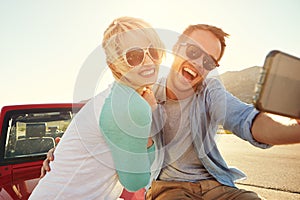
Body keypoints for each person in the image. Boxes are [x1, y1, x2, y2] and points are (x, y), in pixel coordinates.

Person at [42, 23, 300, 200]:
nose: (199, 63)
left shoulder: (210, 90)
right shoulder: (141, 86)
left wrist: (295, 129)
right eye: (193, 51)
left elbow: (246, 119)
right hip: (168, 188)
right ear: (175, 48)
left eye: (209, 61)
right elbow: (99, 113)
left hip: (217, 185)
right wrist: (61, 150)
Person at [29, 16, 165, 200]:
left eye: (154, 51)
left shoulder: (112, 98)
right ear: (114, 65)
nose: (149, 61)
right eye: (134, 56)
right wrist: (147, 117)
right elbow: (135, 182)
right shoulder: (130, 106)